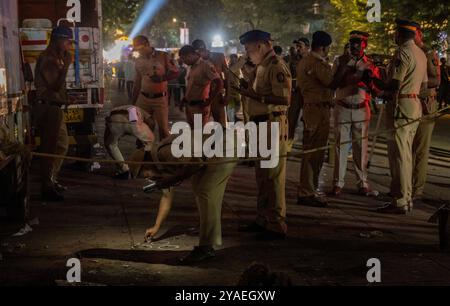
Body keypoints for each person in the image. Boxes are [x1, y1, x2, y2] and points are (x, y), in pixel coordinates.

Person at [141, 131, 238, 265]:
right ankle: (207, 238)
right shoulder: (161, 163)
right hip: (212, 150)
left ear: (146, 164)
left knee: (206, 192)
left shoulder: (165, 153)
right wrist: (156, 226)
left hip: (224, 147)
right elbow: (167, 195)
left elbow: (195, 163)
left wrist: (173, 179)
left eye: (144, 175)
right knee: (199, 188)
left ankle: (206, 248)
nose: (147, 179)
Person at [233, 30, 291, 239]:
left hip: (272, 125)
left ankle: (276, 223)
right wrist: (247, 87)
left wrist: (251, 94)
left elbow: (284, 100)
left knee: (273, 177)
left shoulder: (276, 66)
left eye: (248, 49)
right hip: (260, 126)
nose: (247, 53)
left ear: (260, 46)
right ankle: (263, 218)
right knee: (262, 176)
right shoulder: (262, 67)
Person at [372, 19, 428, 214]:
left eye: (395, 33)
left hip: (401, 106)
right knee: (405, 154)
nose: (394, 36)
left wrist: (372, 80)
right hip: (413, 104)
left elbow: (394, 84)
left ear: (401, 34)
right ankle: (404, 197)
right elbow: (424, 85)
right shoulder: (421, 54)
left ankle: (401, 200)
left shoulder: (402, 52)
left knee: (399, 155)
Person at [296, 31, 350, 207]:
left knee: (313, 152)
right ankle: (307, 192)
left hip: (313, 109)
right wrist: (342, 66)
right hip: (317, 110)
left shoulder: (306, 60)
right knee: (314, 153)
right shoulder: (315, 63)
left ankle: (308, 190)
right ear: (324, 47)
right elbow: (332, 83)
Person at [329, 31, 381, 197]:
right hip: (342, 107)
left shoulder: (370, 64)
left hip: (361, 107)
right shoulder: (340, 60)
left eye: (359, 43)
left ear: (365, 44)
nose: (355, 46)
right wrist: (350, 73)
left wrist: (370, 80)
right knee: (340, 147)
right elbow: (333, 84)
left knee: (361, 148)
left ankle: (362, 182)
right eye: (352, 43)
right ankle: (338, 182)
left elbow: (376, 89)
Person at [33, 26, 72, 201]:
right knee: (49, 148)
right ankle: (46, 187)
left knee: (62, 144)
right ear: (57, 40)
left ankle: (51, 180)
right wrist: (67, 67)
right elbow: (54, 85)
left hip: (55, 107)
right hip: (48, 108)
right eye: (67, 41)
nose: (68, 45)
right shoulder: (49, 58)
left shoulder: (57, 57)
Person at [412, 24, 441, 201]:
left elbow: (436, 80)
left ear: (419, 35)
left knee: (421, 149)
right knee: (408, 149)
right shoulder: (409, 52)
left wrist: (419, 84)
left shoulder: (428, 54)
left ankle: (417, 188)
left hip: (425, 105)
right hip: (410, 104)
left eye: (412, 34)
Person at [131, 35, 179, 140]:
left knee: (163, 130)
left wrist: (162, 78)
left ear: (147, 44)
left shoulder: (163, 56)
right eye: (137, 50)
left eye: (141, 49)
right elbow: (137, 82)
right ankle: (145, 153)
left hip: (160, 99)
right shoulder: (138, 60)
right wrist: (133, 103)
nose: (140, 52)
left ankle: (163, 153)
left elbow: (176, 72)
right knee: (143, 129)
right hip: (143, 99)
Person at [104, 105, 155, 180]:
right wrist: (144, 138)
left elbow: (108, 130)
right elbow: (151, 122)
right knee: (150, 143)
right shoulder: (142, 112)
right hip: (133, 120)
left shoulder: (120, 108)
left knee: (111, 145)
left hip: (114, 120)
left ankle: (124, 170)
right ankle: (148, 168)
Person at [179, 45, 223, 127]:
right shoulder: (191, 67)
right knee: (193, 133)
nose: (184, 62)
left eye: (184, 59)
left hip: (200, 106)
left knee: (199, 135)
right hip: (189, 106)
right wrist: (184, 99)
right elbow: (191, 86)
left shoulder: (206, 65)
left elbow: (219, 82)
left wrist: (210, 100)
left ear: (190, 55)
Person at [192, 39, 228, 126]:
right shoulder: (195, 61)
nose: (198, 54)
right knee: (200, 126)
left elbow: (227, 76)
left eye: (199, 51)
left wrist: (228, 95)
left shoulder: (219, 57)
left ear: (203, 48)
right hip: (201, 96)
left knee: (220, 123)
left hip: (216, 95)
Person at [288, 37, 310, 151]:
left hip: (308, 95)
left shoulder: (312, 60)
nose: (298, 49)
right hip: (295, 94)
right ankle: (288, 146)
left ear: (307, 47)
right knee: (291, 120)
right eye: (297, 46)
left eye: (300, 46)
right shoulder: (292, 60)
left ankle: (306, 147)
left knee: (308, 121)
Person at [226, 54, 244, 123]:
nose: (234, 60)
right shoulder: (230, 67)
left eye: (235, 58)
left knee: (237, 104)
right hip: (231, 87)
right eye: (232, 58)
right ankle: (231, 119)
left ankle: (234, 117)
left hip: (236, 87)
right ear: (231, 59)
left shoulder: (237, 67)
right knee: (232, 104)